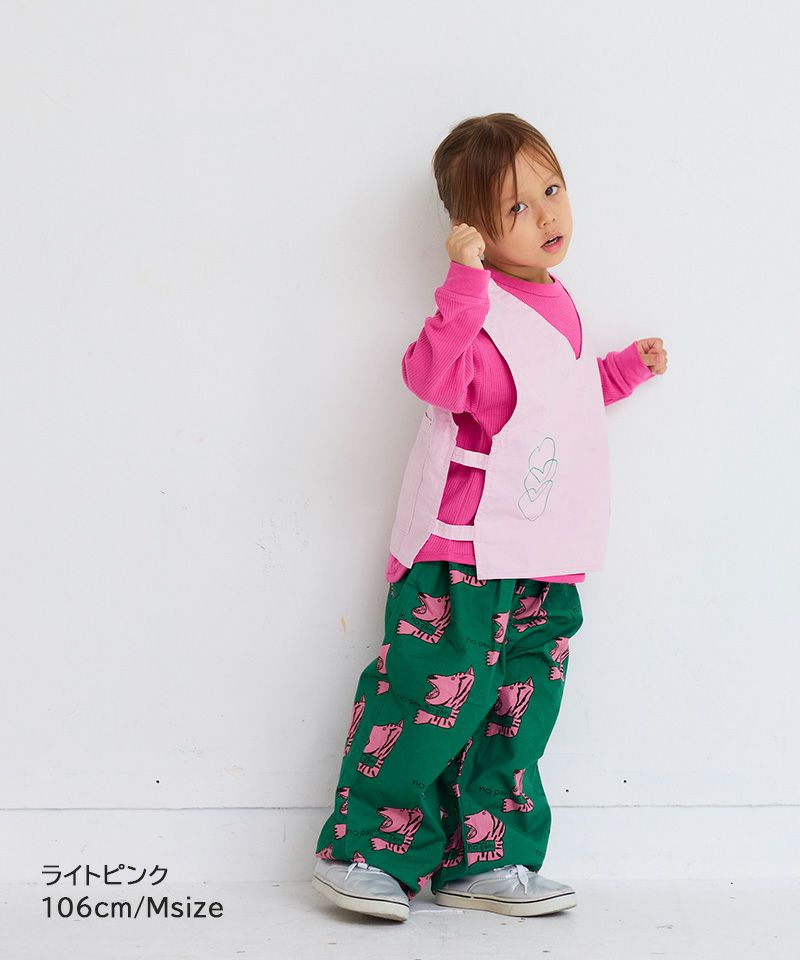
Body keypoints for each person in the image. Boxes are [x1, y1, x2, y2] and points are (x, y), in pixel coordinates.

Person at [311, 112, 668, 922]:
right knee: (426, 701)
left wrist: (621, 372)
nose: (546, 215)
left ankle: (484, 857)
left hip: (545, 551)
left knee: (516, 709)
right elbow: (434, 380)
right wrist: (464, 282)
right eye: (515, 207)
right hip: (461, 553)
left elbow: (554, 400)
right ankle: (365, 850)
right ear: (472, 228)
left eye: (552, 189)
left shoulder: (560, 301)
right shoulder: (476, 306)